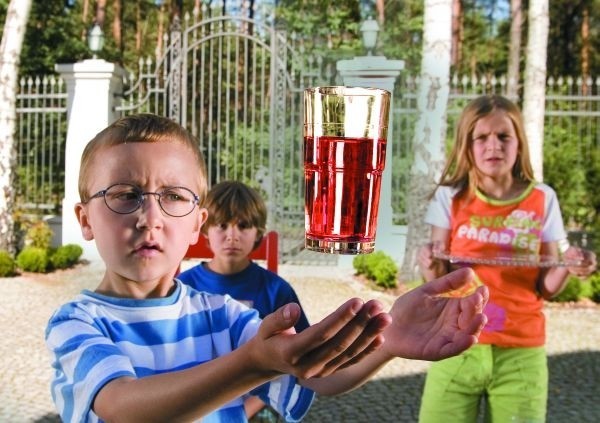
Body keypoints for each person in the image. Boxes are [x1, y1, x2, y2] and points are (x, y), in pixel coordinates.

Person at [45, 113, 488, 423]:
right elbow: (124, 408)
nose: (150, 217)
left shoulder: (224, 314)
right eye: (125, 194)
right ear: (85, 219)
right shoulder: (78, 323)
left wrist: (388, 338)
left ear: (198, 223)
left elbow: (315, 374)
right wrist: (253, 364)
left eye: (174, 196)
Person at [417, 95, 597, 423]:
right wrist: (429, 264)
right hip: (455, 344)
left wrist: (569, 267)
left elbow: (548, 286)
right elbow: (438, 281)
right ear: (466, 145)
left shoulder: (543, 198)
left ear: (519, 144)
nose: (493, 146)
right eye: (481, 137)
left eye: (503, 136)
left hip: (521, 352)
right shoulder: (449, 197)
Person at [178, 180, 310, 420]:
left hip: (258, 400)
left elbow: (298, 357)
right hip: (193, 400)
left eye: (243, 225)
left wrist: (245, 409)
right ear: (205, 228)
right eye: (222, 225)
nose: (232, 235)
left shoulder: (276, 290)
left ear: (258, 232)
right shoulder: (183, 286)